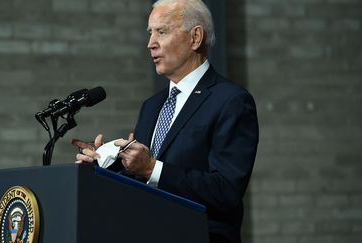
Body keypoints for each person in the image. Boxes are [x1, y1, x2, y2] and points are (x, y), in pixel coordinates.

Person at [74, 0, 259, 242]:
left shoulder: (231, 101)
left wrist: (151, 167)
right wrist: (106, 166)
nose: (151, 43)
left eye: (162, 32)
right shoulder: (152, 106)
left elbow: (225, 190)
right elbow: (141, 182)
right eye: (150, 33)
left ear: (195, 37)